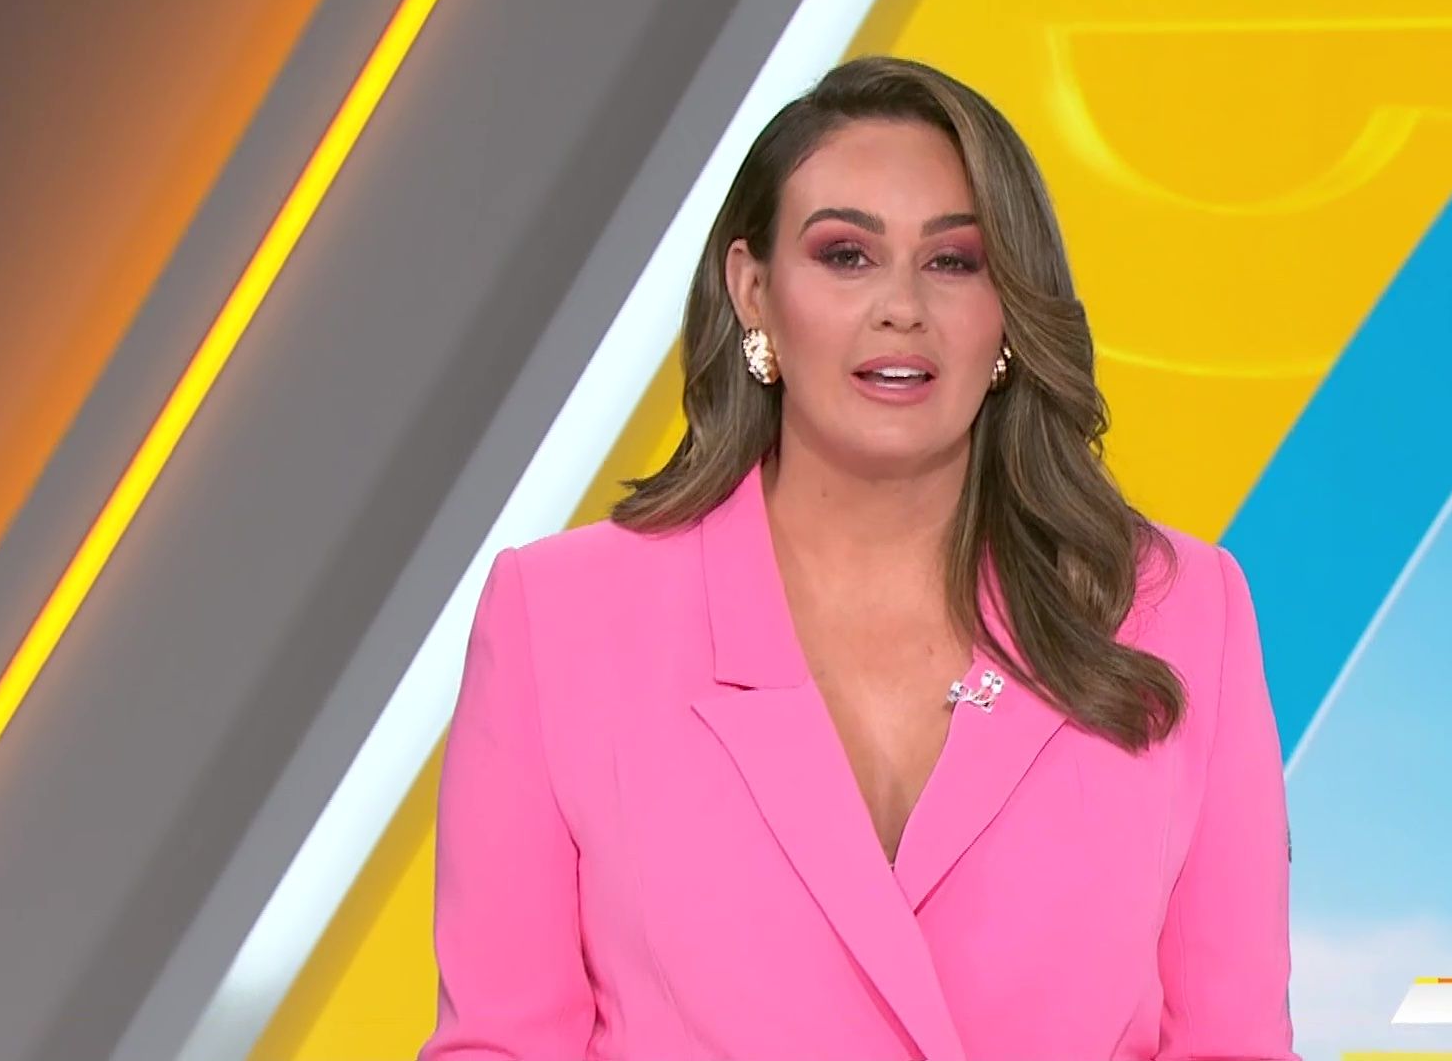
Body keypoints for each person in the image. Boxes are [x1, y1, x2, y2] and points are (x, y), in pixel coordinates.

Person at [420, 55, 1296, 1061]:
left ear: (1009, 312)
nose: (901, 307)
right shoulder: (560, 616)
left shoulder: (1179, 609)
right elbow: (502, 1045)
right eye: (846, 255)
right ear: (753, 290)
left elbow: (1233, 1043)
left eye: (954, 261)